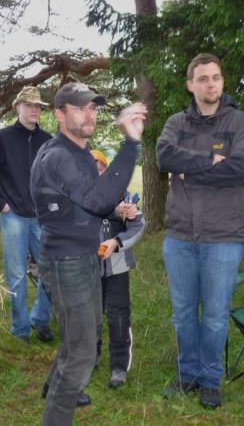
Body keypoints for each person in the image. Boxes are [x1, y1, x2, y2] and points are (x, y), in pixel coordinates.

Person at [30, 82, 146, 426]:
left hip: (83, 256)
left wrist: (115, 210)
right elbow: (95, 199)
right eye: (80, 108)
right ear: (59, 114)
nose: (89, 114)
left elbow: (85, 203)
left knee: (83, 334)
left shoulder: (78, 152)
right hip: (66, 261)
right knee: (82, 353)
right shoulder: (59, 156)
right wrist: (130, 144)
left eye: (93, 108)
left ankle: (54, 389)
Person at [156, 53, 244, 410]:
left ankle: (210, 380)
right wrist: (210, 161)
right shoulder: (176, 123)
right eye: (203, 78)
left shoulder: (239, 121)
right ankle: (188, 375)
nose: (211, 84)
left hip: (224, 236)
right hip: (180, 236)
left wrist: (189, 171)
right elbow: (164, 157)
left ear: (222, 81)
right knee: (183, 313)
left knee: (214, 315)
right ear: (191, 85)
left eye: (216, 77)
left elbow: (241, 168)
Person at [0, 85, 53, 343]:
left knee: (51, 270)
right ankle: (20, 329)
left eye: (38, 106)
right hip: (13, 217)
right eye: (29, 105)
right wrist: (1, 205)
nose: (34, 110)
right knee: (18, 276)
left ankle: (40, 319)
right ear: (18, 107)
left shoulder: (48, 141)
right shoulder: (3, 138)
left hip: (42, 219)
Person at [91, 149, 146, 389]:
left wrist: (117, 242)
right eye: (90, 169)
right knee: (89, 314)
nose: (96, 173)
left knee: (119, 314)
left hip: (117, 266)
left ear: (106, 171)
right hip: (87, 267)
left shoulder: (122, 197)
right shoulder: (79, 196)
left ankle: (119, 366)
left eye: (100, 168)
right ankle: (90, 357)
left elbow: (138, 225)